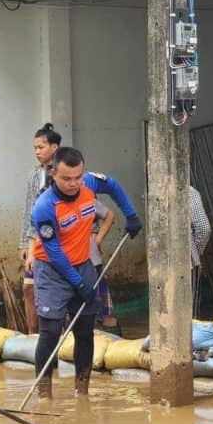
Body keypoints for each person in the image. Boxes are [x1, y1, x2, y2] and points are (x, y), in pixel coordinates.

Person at [31, 146, 142, 394]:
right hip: (52, 271)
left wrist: (130, 214)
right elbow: (55, 253)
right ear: (53, 175)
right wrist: (77, 283)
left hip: (84, 265)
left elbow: (112, 184)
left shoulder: (89, 183)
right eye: (66, 179)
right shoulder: (44, 207)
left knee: (84, 329)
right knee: (49, 331)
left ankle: (82, 392)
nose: (73, 184)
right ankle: (44, 392)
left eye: (78, 178)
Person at [20, 123, 61, 334]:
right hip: (36, 240)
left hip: (62, 240)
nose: (37, 152)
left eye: (41, 147)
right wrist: (24, 243)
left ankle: (64, 337)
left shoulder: (66, 171)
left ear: (54, 147)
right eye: (35, 148)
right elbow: (30, 209)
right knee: (29, 287)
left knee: (61, 291)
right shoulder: (34, 176)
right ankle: (32, 336)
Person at [89, 199, 120, 333]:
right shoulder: (49, 201)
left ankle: (114, 338)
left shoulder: (86, 198)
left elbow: (109, 215)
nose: (72, 183)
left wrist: (98, 239)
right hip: (68, 266)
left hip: (92, 262)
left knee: (106, 312)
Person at [189, 185, 212, 318]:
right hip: (188, 262)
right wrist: (194, 253)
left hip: (159, 263)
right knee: (190, 317)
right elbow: (204, 229)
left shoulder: (153, 192)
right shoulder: (188, 192)